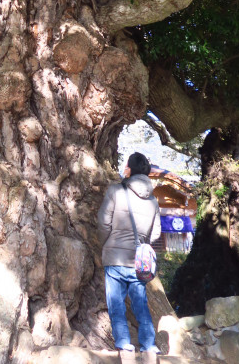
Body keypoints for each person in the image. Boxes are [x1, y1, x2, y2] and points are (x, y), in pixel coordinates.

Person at [97, 152, 161, 364]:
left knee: (116, 305)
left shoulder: (116, 190)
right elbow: (156, 233)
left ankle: (125, 347)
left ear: (131, 169)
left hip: (115, 259)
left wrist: (107, 243)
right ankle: (149, 348)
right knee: (140, 305)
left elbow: (103, 223)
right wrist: (142, 242)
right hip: (138, 262)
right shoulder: (153, 200)